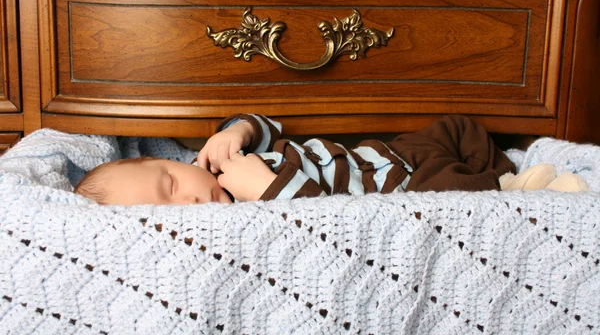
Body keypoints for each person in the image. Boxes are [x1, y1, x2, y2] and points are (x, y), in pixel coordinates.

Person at [74, 114, 517, 206]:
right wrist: (267, 191)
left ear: (172, 162)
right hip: (403, 187)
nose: (187, 205)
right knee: (455, 196)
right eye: (171, 219)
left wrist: (238, 131)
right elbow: (322, 217)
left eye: (170, 186)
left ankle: (504, 169)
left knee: (458, 126)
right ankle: (513, 187)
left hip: (390, 150)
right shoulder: (249, 212)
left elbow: (271, 126)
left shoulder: (212, 161)